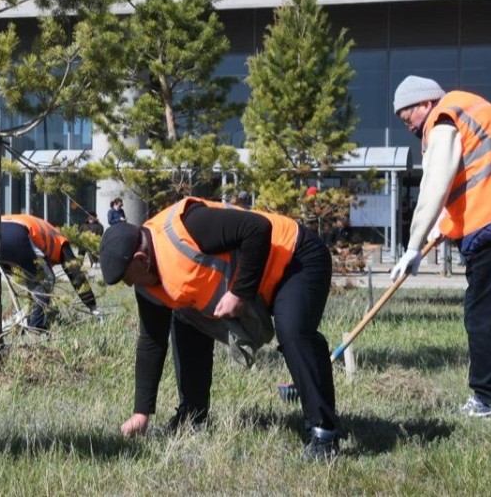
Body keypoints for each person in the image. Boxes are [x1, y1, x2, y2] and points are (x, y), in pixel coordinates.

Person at [98, 197, 342, 460]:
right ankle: (193, 417)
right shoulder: (148, 283)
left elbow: (257, 228)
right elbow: (151, 341)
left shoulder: (188, 227)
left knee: (293, 331)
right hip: (260, 284)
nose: (128, 284)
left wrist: (239, 292)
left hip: (297, 258)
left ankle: (324, 434)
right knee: (185, 316)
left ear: (140, 258)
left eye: (126, 277)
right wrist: (141, 413)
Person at [390, 75, 491, 418]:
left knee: (481, 316)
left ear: (425, 103)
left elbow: (435, 185)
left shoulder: (443, 120)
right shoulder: (471, 108)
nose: (410, 128)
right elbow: (473, 174)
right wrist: (439, 229)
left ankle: (487, 399)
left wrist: (412, 245)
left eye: (409, 118)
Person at [0, 214, 102, 330]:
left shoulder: (43, 230)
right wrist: (92, 306)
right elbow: (76, 274)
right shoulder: (61, 241)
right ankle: (36, 327)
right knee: (45, 280)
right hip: (17, 234)